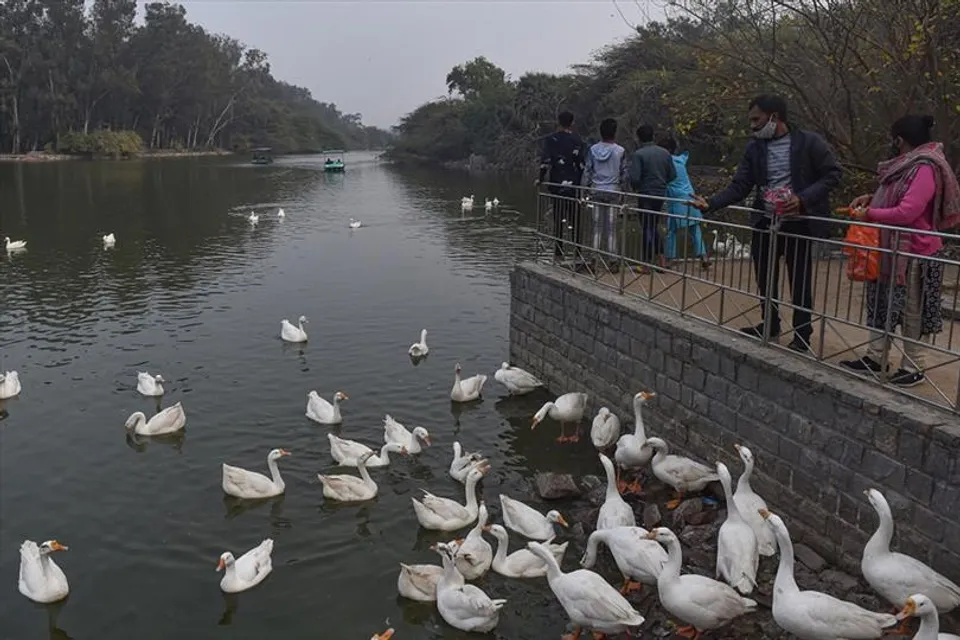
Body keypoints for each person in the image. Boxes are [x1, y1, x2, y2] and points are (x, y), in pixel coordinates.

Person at [692, 94, 842, 352]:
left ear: (775, 117)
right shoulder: (755, 148)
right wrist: (712, 203)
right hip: (765, 221)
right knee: (764, 276)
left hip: (798, 222)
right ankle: (770, 323)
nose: (752, 126)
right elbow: (741, 185)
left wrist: (803, 199)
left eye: (756, 119)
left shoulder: (809, 143)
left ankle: (802, 333)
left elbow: (833, 174)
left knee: (799, 279)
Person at [839, 115, 960, 387]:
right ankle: (875, 357)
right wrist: (871, 200)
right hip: (890, 250)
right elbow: (895, 197)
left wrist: (869, 214)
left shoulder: (925, 167)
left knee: (912, 311)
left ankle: (913, 366)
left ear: (900, 140)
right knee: (881, 304)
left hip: (915, 253)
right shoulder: (905, 166)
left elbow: (909, 211)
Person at [538, 111, 586, 263]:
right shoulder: (577, 140)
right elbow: (581, 164)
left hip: (557, 183)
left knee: (558, 218)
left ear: (558, 122)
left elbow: (545, 161)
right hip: (574, 186)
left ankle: (559, 252)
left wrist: (540, 179)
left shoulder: (551, 139)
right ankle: (578, 252)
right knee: (575, 219)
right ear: (572, 122)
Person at [582, 118, 628, 271]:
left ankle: (593, 259)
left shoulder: (593, 150)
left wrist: (584, 190)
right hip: (613, 191)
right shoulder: (620, 151)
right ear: (614, 132)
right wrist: (624, 193)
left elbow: (587, 171)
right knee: (612, 227)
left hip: (596, 190)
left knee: (597, 227)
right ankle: (613, 260)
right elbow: (624, 175)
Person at [629, 125, 676, 270]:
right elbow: (673, 174)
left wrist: (636, 186)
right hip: (660, 194)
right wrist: (661, 183)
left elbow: (635, 178)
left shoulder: (639, 154)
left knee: (647, 227)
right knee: (653, 225)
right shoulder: (665, 153)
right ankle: (661, 259)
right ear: (653, 136)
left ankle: (646, 264)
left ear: (639, 138)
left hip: (645, 194)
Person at [659, 136, 709, 269]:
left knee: (671, 230)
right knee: (695, 229)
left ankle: (670, 258)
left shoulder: (667, 163)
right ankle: (703, 256)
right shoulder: (680, 161)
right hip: (690, 196)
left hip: (676, 200)